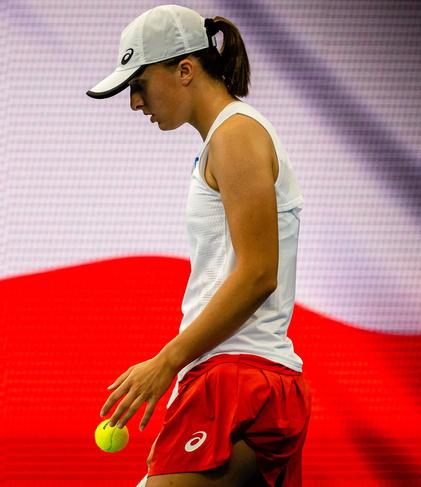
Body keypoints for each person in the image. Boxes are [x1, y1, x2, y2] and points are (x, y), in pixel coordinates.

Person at [86, 5, 311, 486]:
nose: (134, 103)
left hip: (241, 378)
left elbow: (257, 274)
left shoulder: (237, 135)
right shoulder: (225, 140)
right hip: (235, 373)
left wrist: (167, 361)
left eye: (138, 84)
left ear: (184, 70)